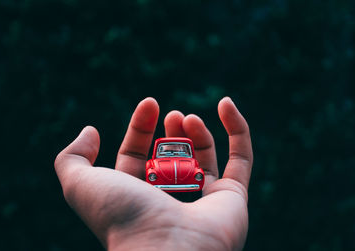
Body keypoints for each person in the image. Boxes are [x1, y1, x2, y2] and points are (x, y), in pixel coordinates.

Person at [54, 97, 253, 251]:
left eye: (181, 150)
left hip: (188, 181)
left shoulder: (191, 161)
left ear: (189, 152)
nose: (175, 153)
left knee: (197, 173)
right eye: (167, 150)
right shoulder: (155, 161)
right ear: (159, 150)